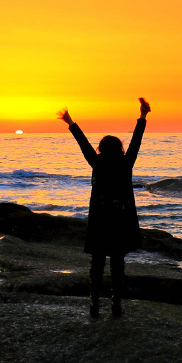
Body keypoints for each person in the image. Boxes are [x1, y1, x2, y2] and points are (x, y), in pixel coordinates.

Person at [57, 97, 150, 318]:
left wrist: (70, 121)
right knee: (118, 264)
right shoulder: (126, 162)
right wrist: (143, 116)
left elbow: (83, 144)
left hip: (100, 220)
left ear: (101, 149)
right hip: (120, 220)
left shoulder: (97, 162)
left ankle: (94, 303)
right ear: (119, 148)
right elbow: (137, 140)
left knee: (97, 263)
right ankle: (116, 304)